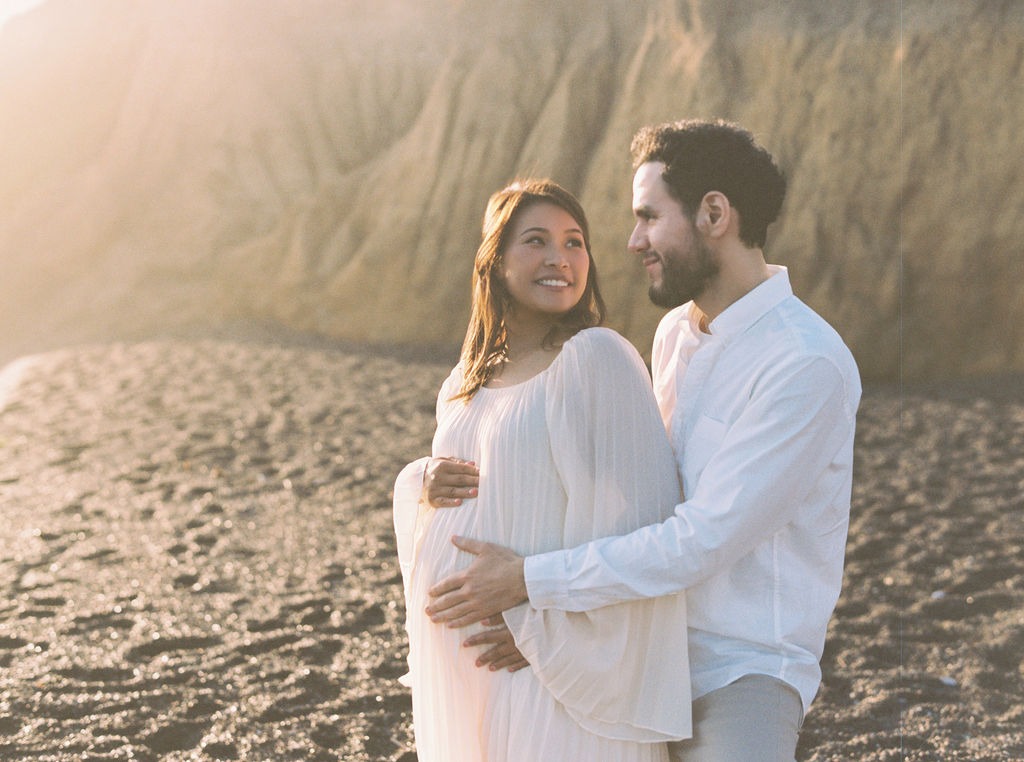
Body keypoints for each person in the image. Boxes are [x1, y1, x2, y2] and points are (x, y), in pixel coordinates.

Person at [423, 120, 862, 762]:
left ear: (714, 213)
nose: (632, 242)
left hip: (737, 675)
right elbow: (621, 500)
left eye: (649, 218)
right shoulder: (675, 335)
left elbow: (701, 540)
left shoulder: (805, 363)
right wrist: (555, 633)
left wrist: (529, 584)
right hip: (630, 647)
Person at [392, 179, 691, 762]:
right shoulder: (463, 384)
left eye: (574, 242)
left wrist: (544, 635)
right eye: (536, 240)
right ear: (495, 261)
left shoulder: (596, 359)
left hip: (556, 677)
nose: (560, 258)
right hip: (472, 672)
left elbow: (644, 529)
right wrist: (419, 481)